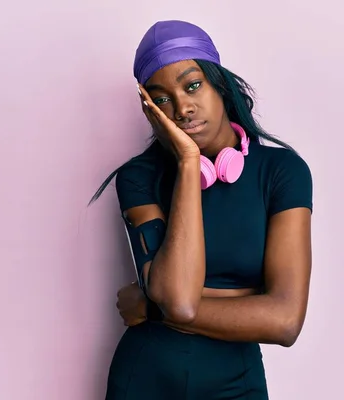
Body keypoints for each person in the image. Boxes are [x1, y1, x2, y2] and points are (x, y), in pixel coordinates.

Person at [89, 19, 313, 400]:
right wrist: (189, 163)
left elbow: (285, 320)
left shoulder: (282, 172)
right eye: (161, 99)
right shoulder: (138, 178)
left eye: (193, 85)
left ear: (220, 84)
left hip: (236, 384)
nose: (182, 108)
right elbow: (177, 297)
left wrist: (153, 308)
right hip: (144, 378)